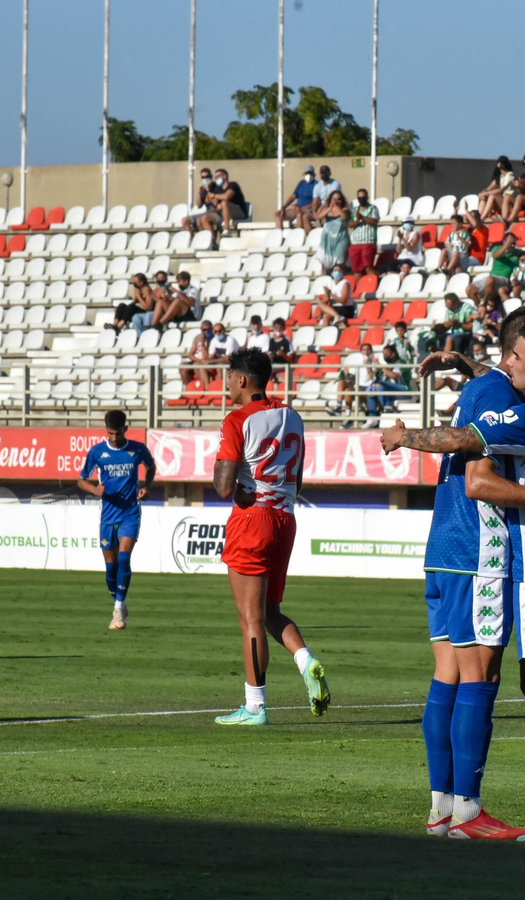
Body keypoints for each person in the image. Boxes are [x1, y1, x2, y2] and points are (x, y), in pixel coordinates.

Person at [382, 319, 525, 841]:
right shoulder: (509, 392)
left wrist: (402, 436)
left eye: (514, 355)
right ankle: (468, 812)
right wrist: (466, 364)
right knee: (503, 680)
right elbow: (484, 447)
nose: (505, 360)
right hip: (507, 557)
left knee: (509, 680)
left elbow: (469, 450)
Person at [212, 348, 330, 726]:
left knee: (250, 619)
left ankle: (254, 706)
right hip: (285, 518)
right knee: (270, 612)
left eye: (229, 376)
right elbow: (297, 479)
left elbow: (223, 485)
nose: (227, 383)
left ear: (243, 379)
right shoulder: (291, 416)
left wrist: (234, 482)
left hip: (253, 520)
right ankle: (306, 661)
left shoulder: (237, 420)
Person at [76, 410, 158, 631]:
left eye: (118, 433)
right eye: (110, 433)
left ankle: (118, 609)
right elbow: (81, 480)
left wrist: (146, 488)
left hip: (130, 512)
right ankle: (118, 602)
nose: (114, 437)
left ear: (125, 429)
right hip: (108, 515)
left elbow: (151, 467)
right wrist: (94, 489)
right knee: (110, 568)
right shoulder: (97, 452)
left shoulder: (137, 449)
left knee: (123, 558)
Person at [315, 191, 350, 274]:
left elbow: (345, 217)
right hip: (327, 238)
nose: (336, 201)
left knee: (339, 261)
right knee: (324, 263)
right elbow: (317, 216)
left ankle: (339, 278)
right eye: (334, 199)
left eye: (339, 199)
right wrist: (329, 209)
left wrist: (337, 208)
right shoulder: (326, 209)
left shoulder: (345, 210)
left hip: (341, 238)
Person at [347, 189, 380, 275]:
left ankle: (372, 284)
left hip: (368, 241)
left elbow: (374, 221)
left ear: (367, 197)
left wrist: (361, 217)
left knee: (368, 267)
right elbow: (350, 224)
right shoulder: (354, 210)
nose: (361, 199)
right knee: (356, 270)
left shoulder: (373, 208)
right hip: (355, 243)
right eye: (359, 197)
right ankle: (359, 288)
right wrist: (357, 221)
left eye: (363, 197)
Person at [275, 165, 317, 232]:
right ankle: (278, 236)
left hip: (308, 210)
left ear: (314, 175)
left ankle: (299, 236)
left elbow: (316, 203)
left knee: (300, 214)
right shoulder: (301, 184)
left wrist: (302, 208)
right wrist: (283, 207)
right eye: (307, 173)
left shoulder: (316, 185)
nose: (308, 175)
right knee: (278, 214)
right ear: (303, 175)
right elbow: (293, 196)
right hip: (297, 208)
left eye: (310, 173)